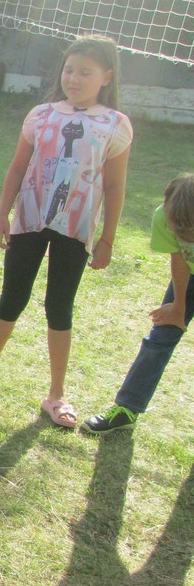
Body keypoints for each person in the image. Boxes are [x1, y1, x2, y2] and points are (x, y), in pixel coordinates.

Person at [0, 35, 132, 428]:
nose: (74, 78)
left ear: (106, 77)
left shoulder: (115, 125)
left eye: (85, 72)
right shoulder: (40, 115)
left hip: (76, 228)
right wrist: (3, 214)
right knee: (12, 297)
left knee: (59, 305)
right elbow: (18, 168)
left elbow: (114, 186)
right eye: (69, 70)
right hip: (29, 220)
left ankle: (56, 395)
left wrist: (107, 238)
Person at [82, 173, 194, 434]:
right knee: (161, 336)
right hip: (189, 276)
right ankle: (127, 409)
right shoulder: (164, 215)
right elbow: (179, 259)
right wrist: (178, 306)